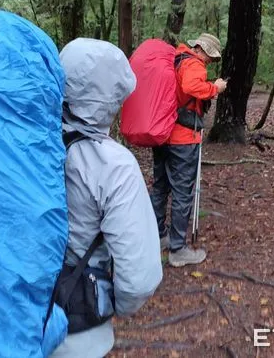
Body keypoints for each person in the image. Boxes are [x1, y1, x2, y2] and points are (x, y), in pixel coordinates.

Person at [50, 38, 163, 358]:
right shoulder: (114, 165)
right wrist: (119, 305)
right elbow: (139, 280)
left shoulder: (26, 146)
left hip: (10, 317)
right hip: (77, 329)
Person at [150, 33, 228, 267]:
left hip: (162, 133)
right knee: (183, 192)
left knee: (161, 187)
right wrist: (215, 88)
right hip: (183, 138)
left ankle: (158, 236)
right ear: (203, 50)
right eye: (211, 58)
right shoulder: (194, 64)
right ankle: (178, 250)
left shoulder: (174, 59)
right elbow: (192, 86)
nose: (210, 63)